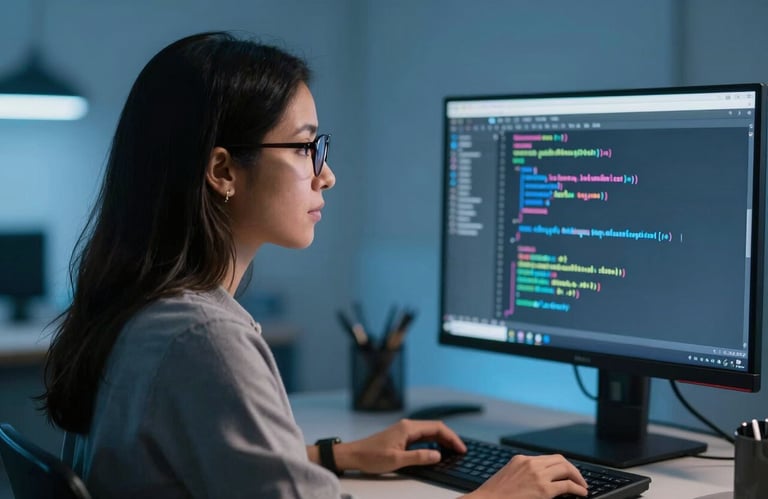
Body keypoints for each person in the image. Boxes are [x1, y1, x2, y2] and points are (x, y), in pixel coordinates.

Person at [39, 31, 588, 499]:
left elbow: (202, 463)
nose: (325, 176)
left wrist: (332, 455)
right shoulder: (202, 336)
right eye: (305, 149)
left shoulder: (140, 310)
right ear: (223, 171)